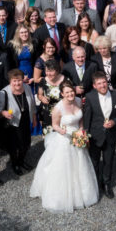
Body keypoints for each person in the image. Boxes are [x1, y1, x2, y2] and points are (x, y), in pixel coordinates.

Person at [29, 81, 99, 213]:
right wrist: (64, 132)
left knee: (81, 165)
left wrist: (81, 130)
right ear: (62, 94)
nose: (70, 94)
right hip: (65, 138)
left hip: (77, 136)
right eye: (67, 92)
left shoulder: (78, 101)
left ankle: (82, 195)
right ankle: (62, 197)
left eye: (71, 91)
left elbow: (81, 118)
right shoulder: (58, 108)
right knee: (64, 167)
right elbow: (55, 125)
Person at [83, 71, 116, 199]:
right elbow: (87, 118)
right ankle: (95, 184)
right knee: (94, 162)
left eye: (104, 82)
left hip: (111, 135)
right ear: (94, 85)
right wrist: (86, 135)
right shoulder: (90, 97)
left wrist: (115, 121)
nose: (102, 85)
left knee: (108, 161)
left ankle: (107, 184)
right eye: (99, 83)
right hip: (95, 136)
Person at [0, 69, 37, 175]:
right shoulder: (3, 93)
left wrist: (34, 118)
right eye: (14, 81)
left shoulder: (27, 87)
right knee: (14, 147)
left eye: (19, 80)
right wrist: (4, 113)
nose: (17, 83)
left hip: (25, 120)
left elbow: (32, 104)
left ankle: (21, 161)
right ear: (10, 81)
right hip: (12, 124)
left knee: (26, 144)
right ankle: (15, 164)